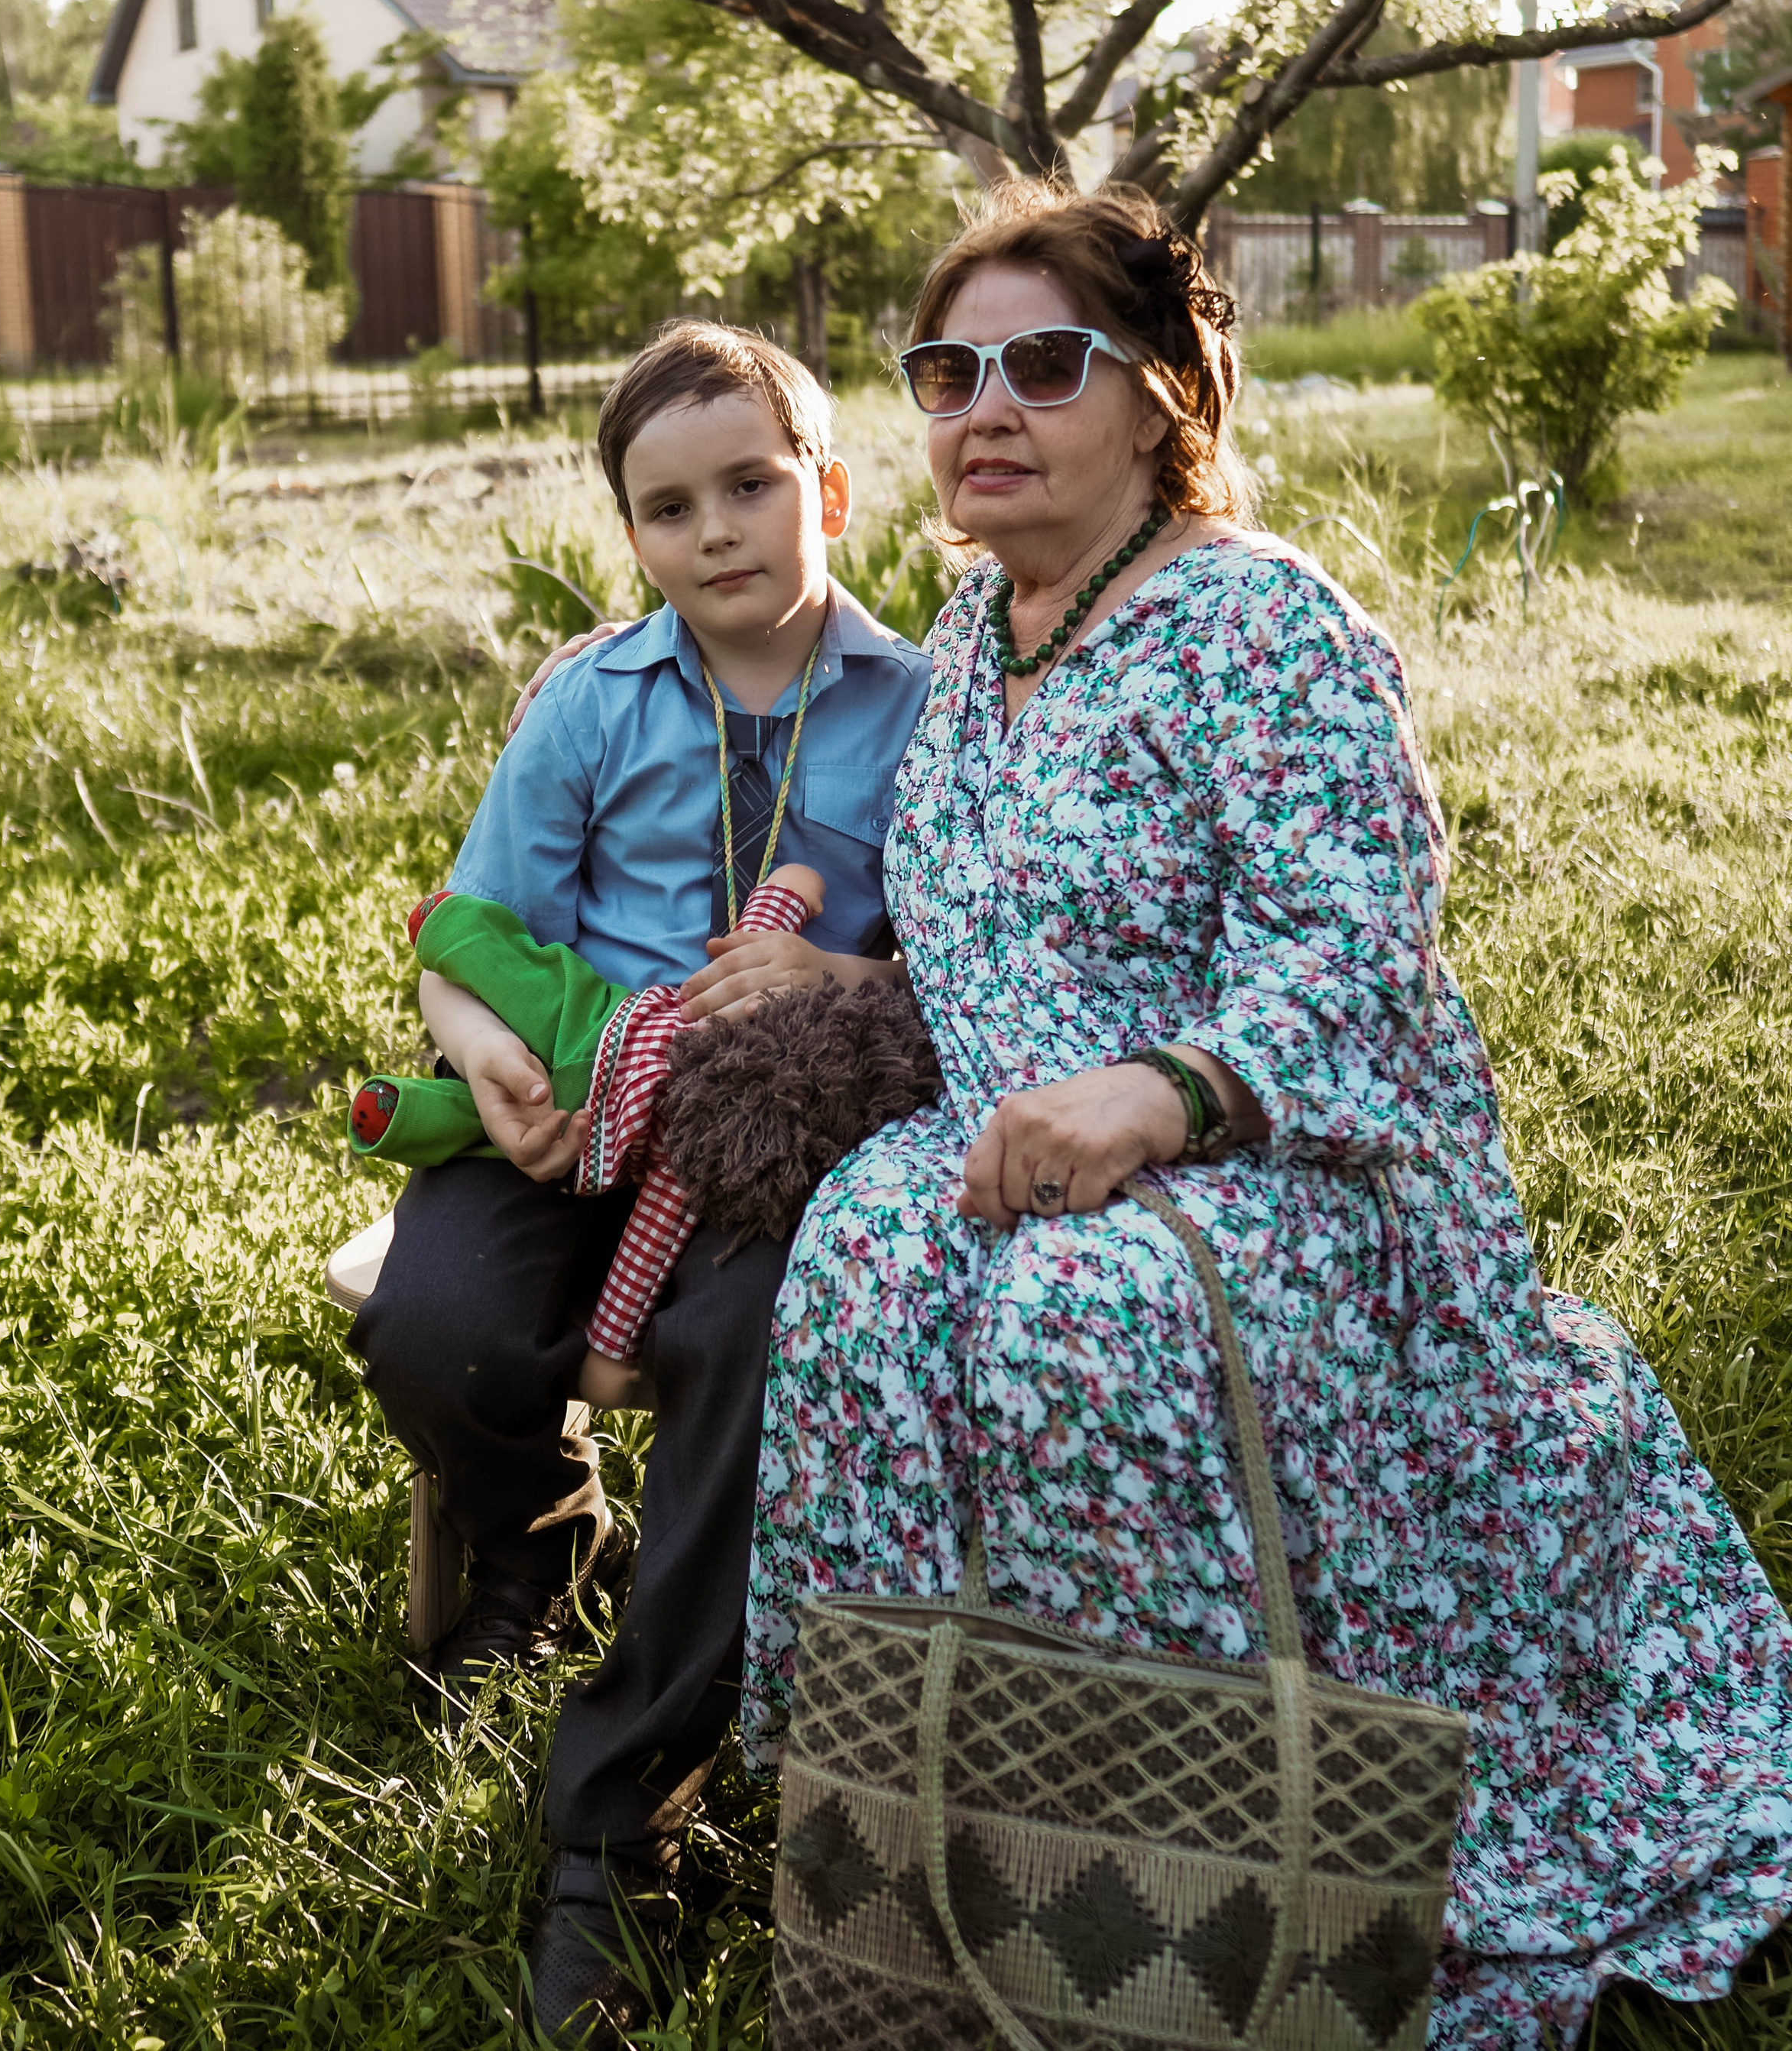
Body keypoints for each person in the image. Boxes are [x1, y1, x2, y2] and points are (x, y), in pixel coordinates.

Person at [746, 183, 1792, 2047]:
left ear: (1158, 393)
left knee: (1090, 1317)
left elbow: (1354, 949)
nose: (982, 407)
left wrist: (1165, 1091)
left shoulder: (1264, 623)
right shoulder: (975, 629)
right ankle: (913, 1832)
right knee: (861, 1250)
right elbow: (969, 932)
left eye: (1041, 362)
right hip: (1019, 1138)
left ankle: (1188, 1870)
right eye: (943, 369)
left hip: (1295, 1155)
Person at [346, 320, 931, 2036]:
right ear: (632, 536)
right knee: (435, 1318)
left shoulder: (923, 705)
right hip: (578, 1108)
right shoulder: (597, 699)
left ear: (824, 486)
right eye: (668, 506)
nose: (717, 530)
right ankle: (534, 1529)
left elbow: (965, 956)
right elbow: (472, 934)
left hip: (772, 1133)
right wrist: (485, 1055)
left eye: (752, 482)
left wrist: (847, 987)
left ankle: (623, 1811)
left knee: (745, 1354)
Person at [347, 867, 825, 1385]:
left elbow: (653, 1232)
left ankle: (402, 1113)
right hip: (586, 1023)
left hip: (699, 1154)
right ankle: (448, 927)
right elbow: (447, 979)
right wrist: (479, 1043)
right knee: (434, 1332)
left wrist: (832, 966)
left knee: (741, 1347)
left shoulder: (712, 1123)